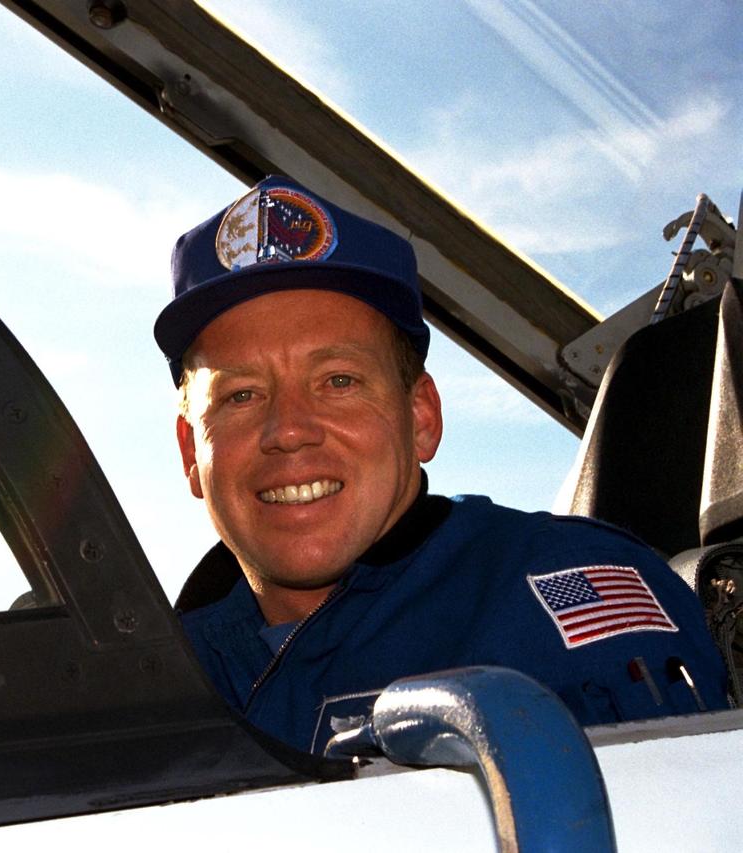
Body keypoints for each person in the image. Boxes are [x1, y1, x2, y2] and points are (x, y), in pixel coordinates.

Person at [154, 175, 730, 755]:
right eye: (242, 396)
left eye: (338, 381)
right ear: (190, 452)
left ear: (422, 417)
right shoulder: (145, 681)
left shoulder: (560, 610)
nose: (289, 431)